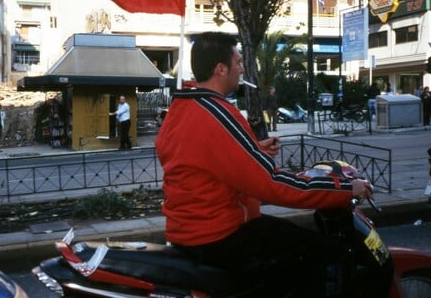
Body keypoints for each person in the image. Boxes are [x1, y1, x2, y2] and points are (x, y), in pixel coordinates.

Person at [155, 32, 383, 297]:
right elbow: (272, 184)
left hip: (189, 232)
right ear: (221, 69)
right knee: (330, 255)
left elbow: (194, 159)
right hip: (220, 235)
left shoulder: (183, 108)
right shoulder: (217, 112)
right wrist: (344, 187)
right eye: (238, 61)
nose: (242, 68)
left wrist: (253, 150)